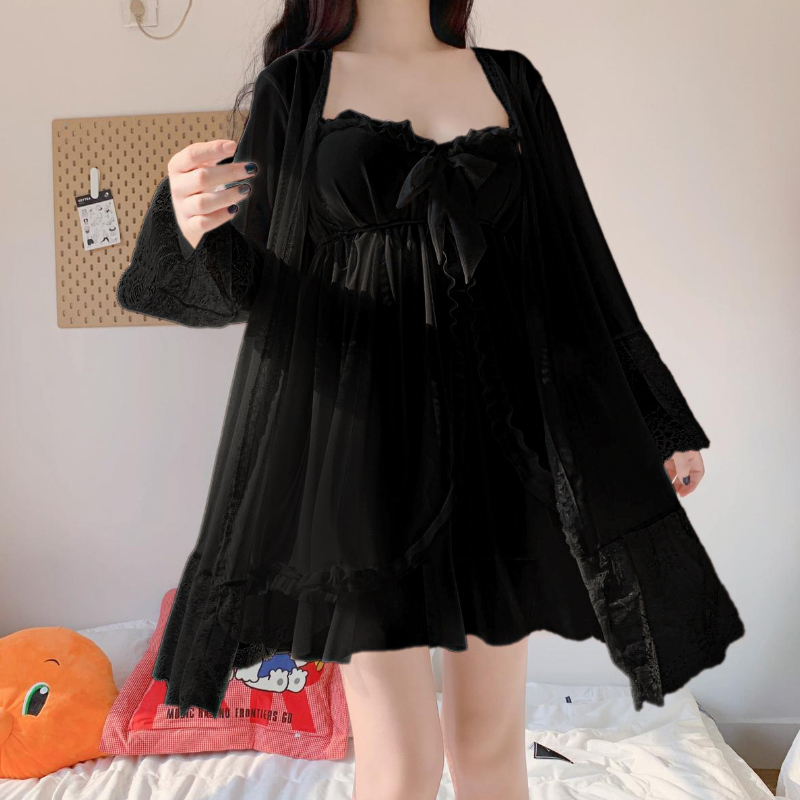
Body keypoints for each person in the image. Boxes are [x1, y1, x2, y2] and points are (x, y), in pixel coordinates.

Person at [116, 1, 745, 798]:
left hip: (500, 448)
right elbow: (256, 283)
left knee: (488, 745)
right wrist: (187, 224)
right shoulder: (297, 87)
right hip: (356, 451)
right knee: (401, 759)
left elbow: (575, 268)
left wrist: (654, 421)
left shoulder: (511, 82)